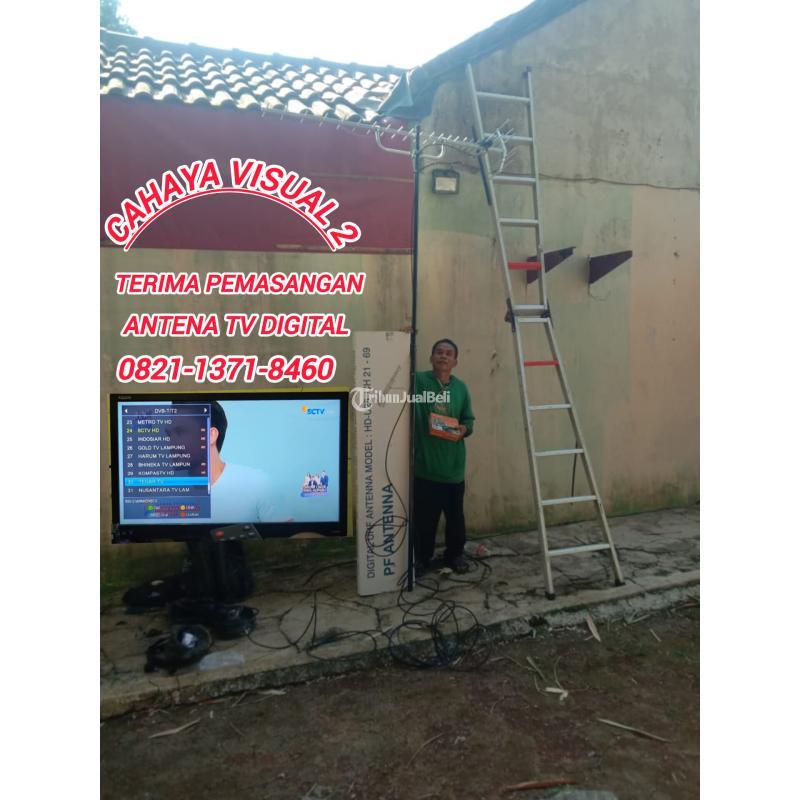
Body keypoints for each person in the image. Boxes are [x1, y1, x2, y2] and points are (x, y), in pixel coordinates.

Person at [413, 338, 475, 576]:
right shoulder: (418, 381)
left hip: (453, 469)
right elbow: (396, 370)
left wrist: (464, 429)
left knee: (455, 518)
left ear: (455, 361)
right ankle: (421, 558)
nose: (443, 356)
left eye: (449, 353)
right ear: (431, 358)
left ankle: (455, 555)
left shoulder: (461, 388)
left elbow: (468, 420)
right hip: (425, 467)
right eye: (439, 352)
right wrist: (403, 338)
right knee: (424, 519)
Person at [169, 401, 281, 522]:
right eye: (169, 435)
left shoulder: (258, 484)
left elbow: (290, 532)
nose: (170, 444)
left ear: (210, 436)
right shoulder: (163, 493)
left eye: (180, 432)